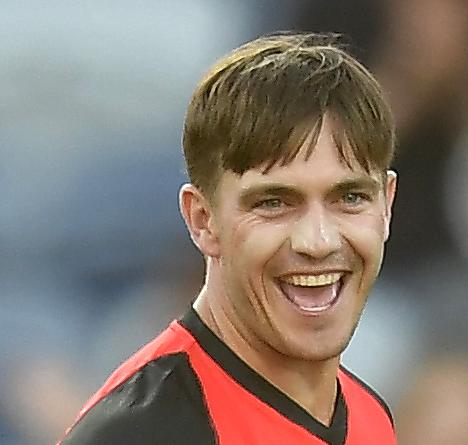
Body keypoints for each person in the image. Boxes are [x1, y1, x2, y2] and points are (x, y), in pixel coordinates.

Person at [59, 32, 399, 445]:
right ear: (203, 221)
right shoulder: (139, 435)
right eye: (274, 202)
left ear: (386, 205)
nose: (318, 241)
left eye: (350, 197)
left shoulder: (370, 415)